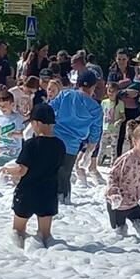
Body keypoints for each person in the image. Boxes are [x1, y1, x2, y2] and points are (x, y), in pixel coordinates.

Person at [4, 104, 66, 248]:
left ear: (37, 123)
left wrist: (7, 170)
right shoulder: (60, 145)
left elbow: (21, 170)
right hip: (49, 193)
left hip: (27, 192)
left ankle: (21, 257)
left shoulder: (31, 144)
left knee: (17, 232)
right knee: (46, 236)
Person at [49, 69, 103, 204]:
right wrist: (90, 149)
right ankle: (64, 199)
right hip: (72, 145)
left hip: (54, 138)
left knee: (50, 171)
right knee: (65, 174)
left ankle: (49, 197)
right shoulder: (95, 107)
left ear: (78, 83)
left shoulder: (64, 94)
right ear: (93, 87)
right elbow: (95, 131)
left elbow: (49, 109)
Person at [105, 123, 140, 238]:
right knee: (120, 234)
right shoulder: (127, 158)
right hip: (117, 204)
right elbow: (112, 175)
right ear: (135, 141)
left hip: (132, 202)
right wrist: (114, 193)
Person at [0, 90, 25, 173]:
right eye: (0, 106)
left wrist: (14, 134)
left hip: (14, 149)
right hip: (2, 147)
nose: (2, 108)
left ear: (12, 105)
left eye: (4, 106)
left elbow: (24, 134)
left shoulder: (18, 118)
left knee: (12, 168)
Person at [99, 81, 125, 166]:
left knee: (114, 148)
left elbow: (123, 116)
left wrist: (118, 121)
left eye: (113, 91)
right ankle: (98, 162)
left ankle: (113, 164)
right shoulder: (104, 102)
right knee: (102, 146)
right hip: (105, 128)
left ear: (117, 92)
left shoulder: (120, 103)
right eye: (109, 91)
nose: (110, 93)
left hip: (115, 129)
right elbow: (101, 114)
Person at [117, 81, 140, 157]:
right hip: (122, 110)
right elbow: (112, 89)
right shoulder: (115, 74)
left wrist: (137, 93)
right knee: (120, 135)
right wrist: (125, 92)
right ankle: (118, 156)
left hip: (137, 110)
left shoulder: (138, 80)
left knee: (135, 135)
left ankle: (134, 155)